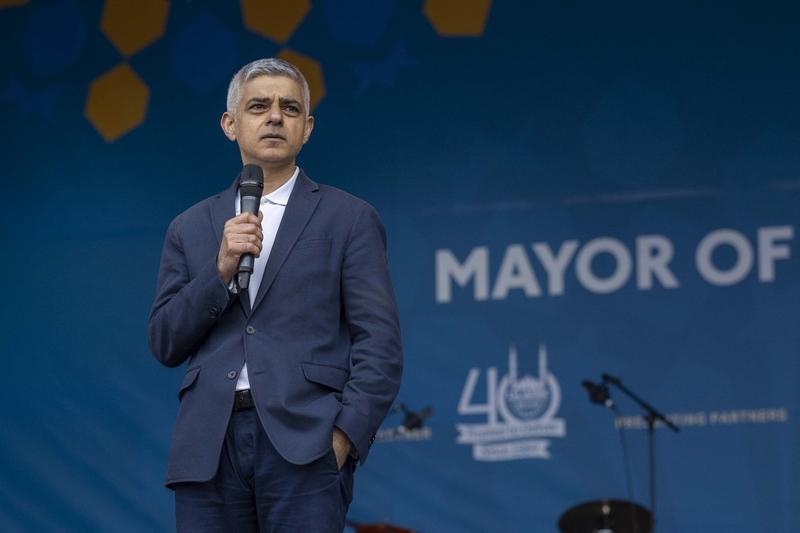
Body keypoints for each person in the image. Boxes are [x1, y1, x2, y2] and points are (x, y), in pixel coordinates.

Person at [148, 58, 403, 532]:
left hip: (306, 442)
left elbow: (380, 345)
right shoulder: (190, 226)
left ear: (306, 128)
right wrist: (220, 268)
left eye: (289, 108)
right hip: (208, 446)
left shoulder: (348, 217)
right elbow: (165, 341)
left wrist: (343, 437)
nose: (274, 117)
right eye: (258, 106)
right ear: (230, 124)